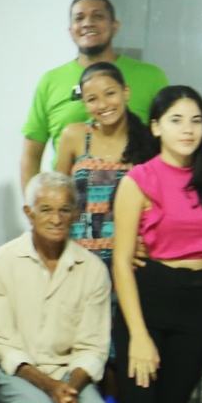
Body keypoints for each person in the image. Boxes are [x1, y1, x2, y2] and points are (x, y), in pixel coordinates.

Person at [110, 86, 202, 403]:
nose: (187, 129)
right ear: (156, 127)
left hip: (201, 301)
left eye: (196, 121)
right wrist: (137, 334)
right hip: (150, 298)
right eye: (176, 120)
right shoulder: (138, 180)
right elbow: (121, 262)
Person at [0, 174, 115, 403]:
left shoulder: (93, 270)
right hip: (13, 371)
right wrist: (51, 388)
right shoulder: (1, 262)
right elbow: (2, 344)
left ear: (76, 214)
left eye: (64, 210)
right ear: (29, 214)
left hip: (69, 373)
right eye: (46, 210)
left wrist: (68, 390)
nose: (56, 219)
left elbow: (93, 347)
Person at [19, 0, 169, 199]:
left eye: (97, 16)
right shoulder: (51, 81)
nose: (88, 23)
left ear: (115, 26)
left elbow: (169, 146)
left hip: (138, 204)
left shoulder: (151, 76)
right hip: (71, 210)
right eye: (79, 18)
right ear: (71, 30)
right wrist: (36, 209)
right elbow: (31, 154)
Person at [52, 61, 155, 265]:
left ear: (126, 92)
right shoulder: (74, 135)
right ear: (84, 103)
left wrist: (145, 246)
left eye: (110, 93)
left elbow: (157, 207)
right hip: (76, 258)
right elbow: (58, 197)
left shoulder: (148, 141)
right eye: (92, 99)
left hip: (127, 262)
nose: (103, 105)